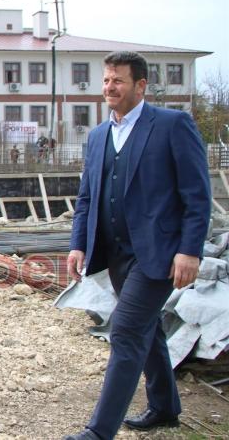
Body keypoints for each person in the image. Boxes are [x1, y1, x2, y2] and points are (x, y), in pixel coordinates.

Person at [63, 52, 211, 440]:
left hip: (159, 254)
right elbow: (87, 198)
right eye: (107, 80)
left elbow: (197, 195)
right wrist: (78, 245)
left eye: (119, 81)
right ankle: (164, 407)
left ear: (141, 85)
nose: (110, 87)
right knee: (148, 329)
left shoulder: (171, 125)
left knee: (127, 331)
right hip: (115, 254)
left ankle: (99, 432)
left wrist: (189, 251)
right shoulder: (97, 136)